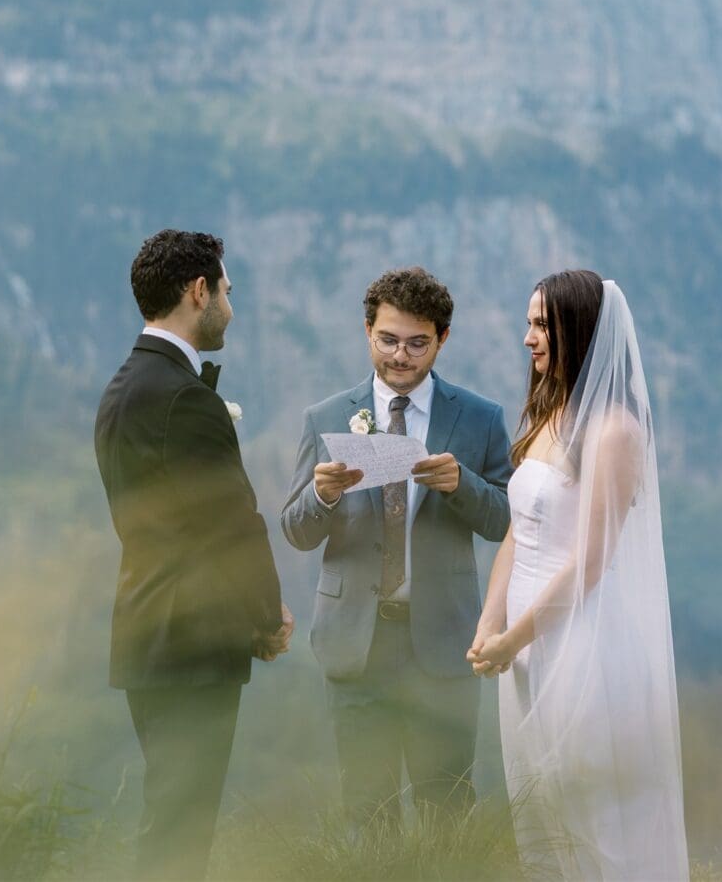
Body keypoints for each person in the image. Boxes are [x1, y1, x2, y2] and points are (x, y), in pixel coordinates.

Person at [470, 270, 689, 881]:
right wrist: (492, 622)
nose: (528, 338)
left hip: (582, 640)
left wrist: (514, 638)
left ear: (578, 330)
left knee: (591, 812)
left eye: (541, 325)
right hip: (524, 641)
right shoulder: (549, 412)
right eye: (529, 323)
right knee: (539, 805)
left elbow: (590, 560)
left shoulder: (614, 429)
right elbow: (518, 531)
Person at [94, 229, 293, 881]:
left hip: (145, 630)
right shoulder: (185, 398)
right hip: (193, 641)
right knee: (182, 831)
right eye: (227, 292)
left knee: (169, 818)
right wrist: (266, 616)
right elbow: (232, 523)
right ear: (198, 291)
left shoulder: (121, 388)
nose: (230, 308)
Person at [282, 266, 512, 830]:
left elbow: (508, 521)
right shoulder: (326, 416)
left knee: (447, 808)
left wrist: (462, 485)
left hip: (443, 642)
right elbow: (296, 530)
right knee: (367, 813)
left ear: (442, 339)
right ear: (367, 331)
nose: (400, 357)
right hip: (355, 642)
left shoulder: (480, 418)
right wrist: (323, 495)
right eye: (387, 340)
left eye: (417, 343)